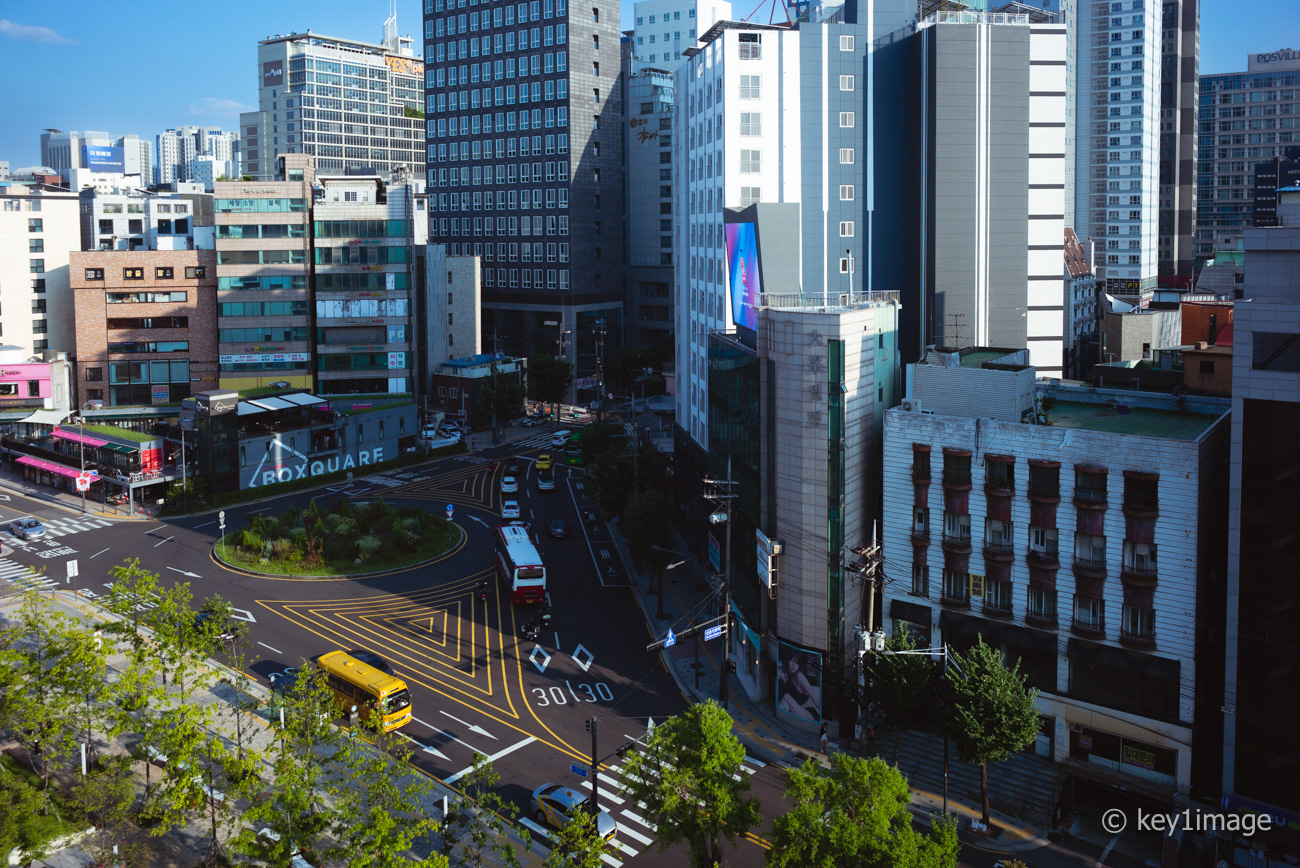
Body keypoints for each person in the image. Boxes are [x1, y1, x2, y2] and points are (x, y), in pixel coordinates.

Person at [776, 653, 821, 721]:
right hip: (792, 712)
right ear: (788, 660)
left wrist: (824, 720)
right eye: (792, 661)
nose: (794, 665)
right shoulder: (782, 672)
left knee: (786, 697)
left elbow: (816, 701)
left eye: (797, 663)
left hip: (809, 715)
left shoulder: (799, 676)